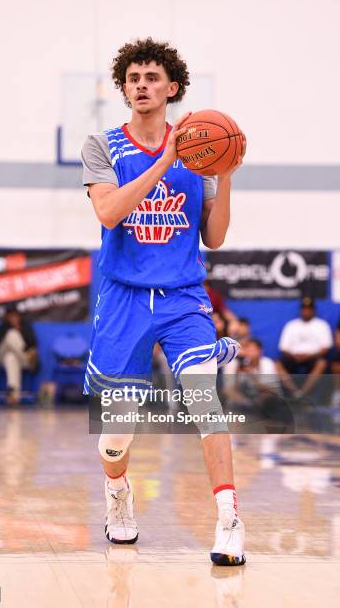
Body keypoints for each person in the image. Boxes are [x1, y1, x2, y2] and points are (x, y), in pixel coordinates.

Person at [81, 38, 245, 565]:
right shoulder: (102, 146)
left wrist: (223, 175)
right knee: (116, 433)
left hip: (182, 296)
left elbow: (214, 238)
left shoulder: (198, 150)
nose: (142, 86)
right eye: (134, 78)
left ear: (172, 87)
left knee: (203, 397)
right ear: (124, 88)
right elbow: (109, 214)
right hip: (124, 297)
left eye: (152, 77)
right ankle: (118, 494)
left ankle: (229, 520)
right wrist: (166, 161)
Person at [223, 338, 293, 432]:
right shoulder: (239, 365)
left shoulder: (267, 363)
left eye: (252, 350)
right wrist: (237, 373)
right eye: (246, 349)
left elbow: (271, 391)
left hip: (268, 403)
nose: (248, 353)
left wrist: (253, 377)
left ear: (260, 351)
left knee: (267, 398)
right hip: (246, 404)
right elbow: (230, 390)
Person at [276, 297, 333, 401]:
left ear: (314, 310)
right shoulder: (291, 325)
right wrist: (294, 356)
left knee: (322, 363)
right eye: (304, 309)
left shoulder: (321, 325)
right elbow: (283, 348)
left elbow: (326, 348)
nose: (306, 311)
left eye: (309, 309)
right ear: (301, 310)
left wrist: (309, 356)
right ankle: (295, 392)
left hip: (313, 357)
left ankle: (303, 393)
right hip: (293, 357)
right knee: (277, 364)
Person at [0, 305, 39, 405]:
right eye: (11, 316)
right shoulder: (0, 329)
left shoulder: (26, 328)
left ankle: (13, 395)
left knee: (11, 358)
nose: (13, 318)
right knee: (12, 334)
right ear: (7, 317)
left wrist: (20, 331)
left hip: (16, 360)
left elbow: (33, 345)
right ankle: (26, 356)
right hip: (1, 356)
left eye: (15, 316)